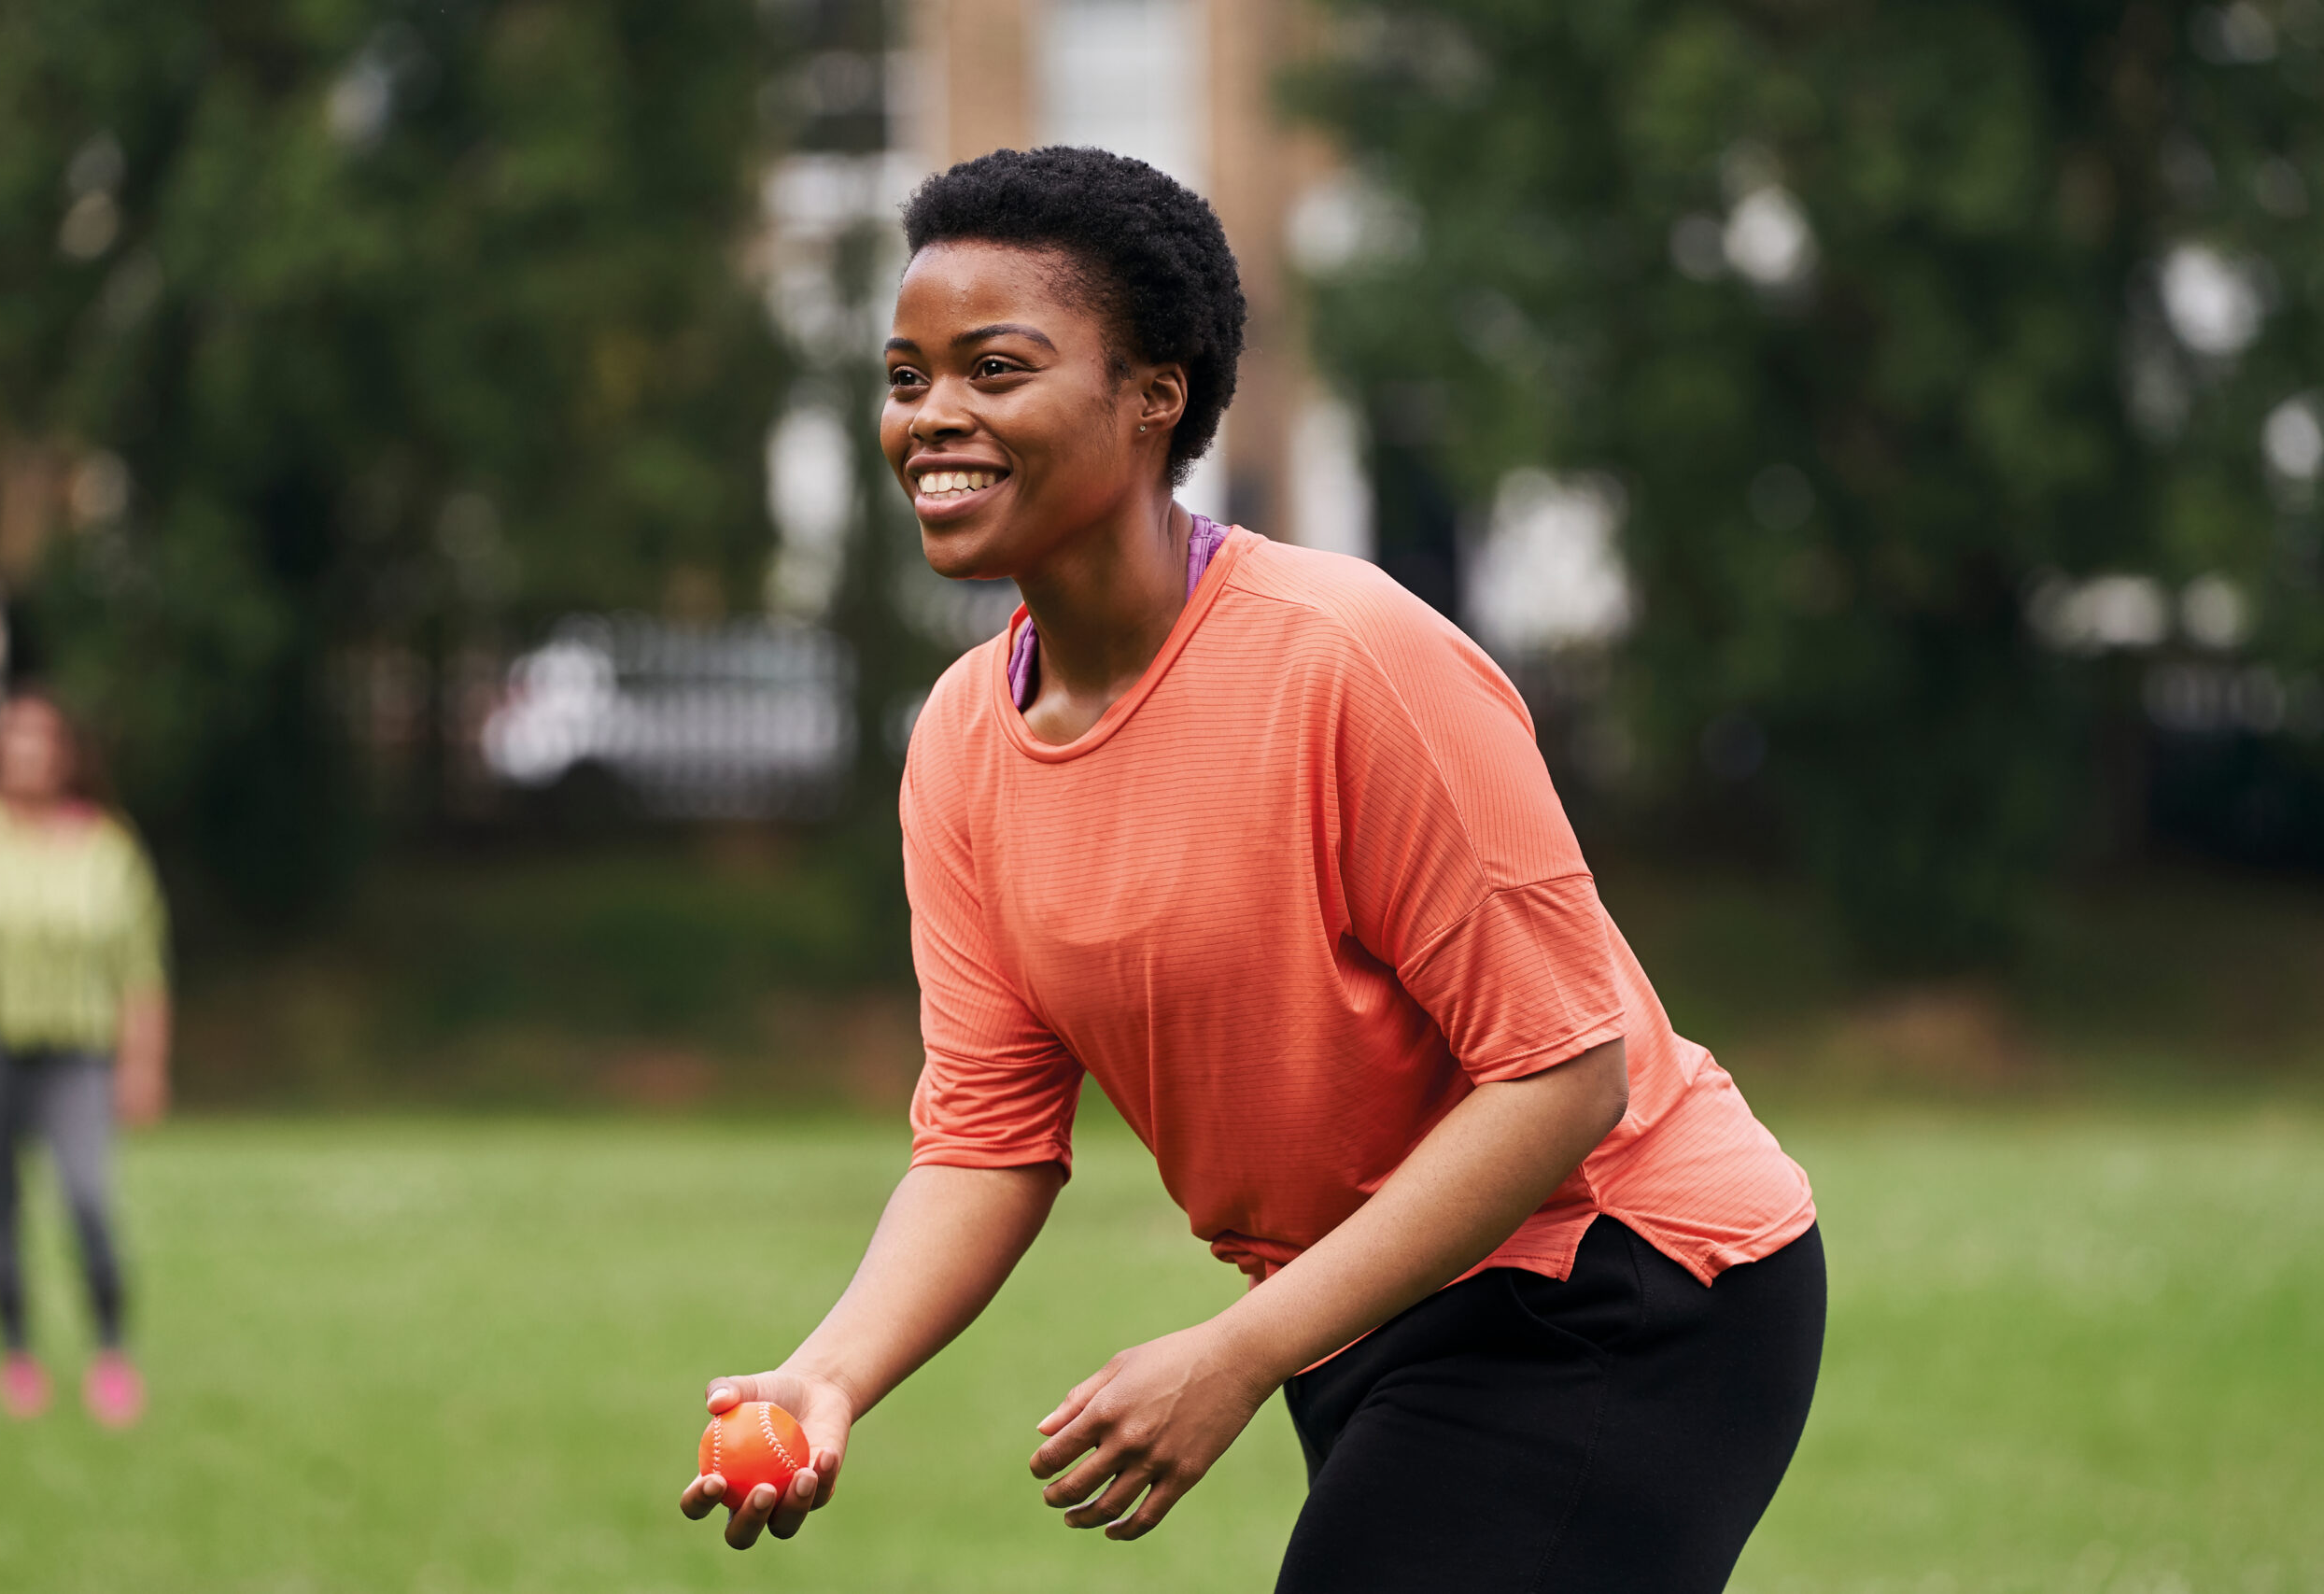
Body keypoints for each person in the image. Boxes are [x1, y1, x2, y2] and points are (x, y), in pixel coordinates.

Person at [680, 147, 1825, 1592]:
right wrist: (829, 1370)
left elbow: (1563, 1072)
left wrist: (1234, 1352)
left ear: (1154, 393)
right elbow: (986, 1134)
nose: (934, 418)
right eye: (908, 377)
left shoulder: (1349, 658)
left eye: (995, 367)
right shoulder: (962, 744)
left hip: (1623, 1276)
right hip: (1367, 1308)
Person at [0, 687, 170, 1427]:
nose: (26, 754)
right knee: (0, 1211)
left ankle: (109, 1350)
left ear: (65, 754)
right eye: (14, 740)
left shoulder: (107, 847)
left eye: (41, 740)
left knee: (88, 1200)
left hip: (78, 1050)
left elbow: (141, 966)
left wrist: (144, 1062)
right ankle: (18, 1356)